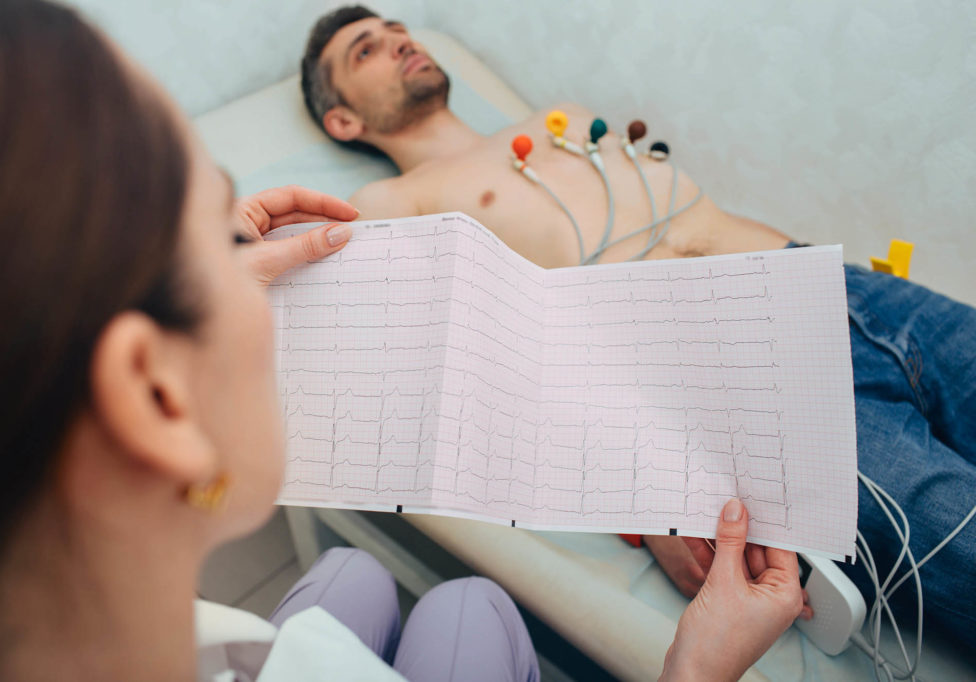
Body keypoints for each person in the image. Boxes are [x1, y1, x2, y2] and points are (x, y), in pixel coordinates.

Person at [0, 1, 807, 680]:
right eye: (218, 237)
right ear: (156, 398)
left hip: (810, 283)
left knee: (389, 588)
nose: (261, 265)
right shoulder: (398, 210)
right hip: (732, 365)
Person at [299, 5, 976, 650]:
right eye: (366, 50)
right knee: (962, 539)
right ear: (343, 119)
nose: (399, 41)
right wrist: (649, 499)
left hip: (838, 285)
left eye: (397, 28)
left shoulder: (562, 119)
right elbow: (483, 372)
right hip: (746, 377)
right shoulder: (391, 204)